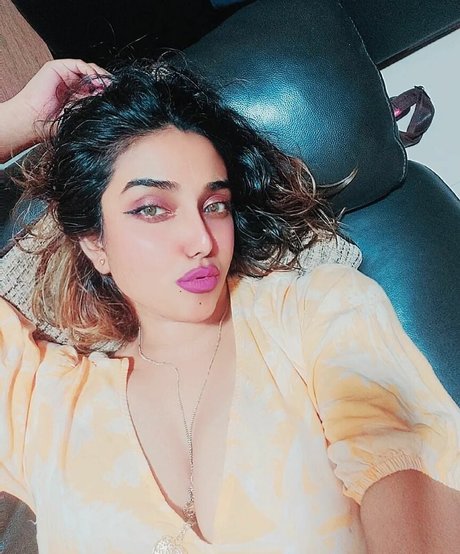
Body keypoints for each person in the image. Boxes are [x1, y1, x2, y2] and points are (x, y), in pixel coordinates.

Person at [0, 59, 459, 554]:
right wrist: (18, 121)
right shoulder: (42, 401)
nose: (201, 240)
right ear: (95, 243)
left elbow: (402, 462)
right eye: (152, 208)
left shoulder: (313, 313)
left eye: (214, 205)